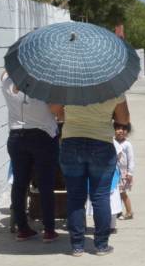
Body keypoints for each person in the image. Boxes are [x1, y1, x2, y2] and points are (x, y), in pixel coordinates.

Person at [50, 95, 130, 256]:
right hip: (101, 143)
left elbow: (55, 110)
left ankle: (77, 245)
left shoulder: (68, 82)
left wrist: (73, 117)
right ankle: (101, 245)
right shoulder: (113, 87)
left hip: (71, 142)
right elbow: (124, 118)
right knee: (100, 196)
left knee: (75, 197)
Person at [1, 71, 60, 242]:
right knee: (45, 183)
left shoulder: (7, 80)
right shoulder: (46, 81)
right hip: (43, 135)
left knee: (19, 183)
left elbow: (4, 71)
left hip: (16, 136)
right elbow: (56, 110)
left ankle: (22, 228)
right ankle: (49, 229)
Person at [114, 122, 135, 220]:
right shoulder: (113, 142)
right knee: (116, 193)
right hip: (114, 172)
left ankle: (129, 211)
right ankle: (118, 211)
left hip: (123, 174)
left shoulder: (127, 145)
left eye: (124, 129)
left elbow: (131, 160)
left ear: (127, 132)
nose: (120, 131)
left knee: (122, 193)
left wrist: (130, 173)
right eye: (118, 128)